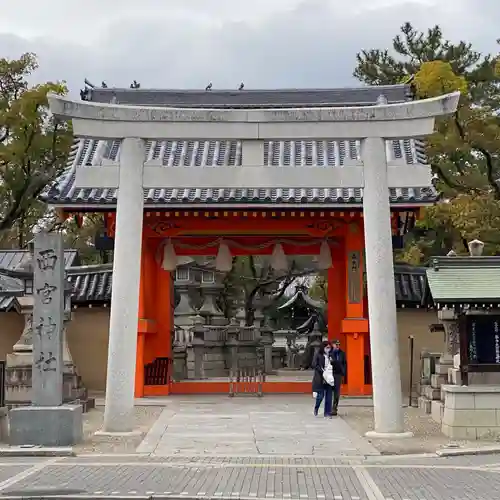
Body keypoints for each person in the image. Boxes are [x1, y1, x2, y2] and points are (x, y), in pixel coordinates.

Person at [312, 341, 336, 418]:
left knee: (329, 396)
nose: (328, 349)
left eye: (329, 348)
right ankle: (316, 408)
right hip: (321, 377)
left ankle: (327, 412)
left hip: (329, 377)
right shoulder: (318, 355)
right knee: (320, 395)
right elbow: (314, 365)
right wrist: (322, 370)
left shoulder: (331, 355)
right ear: (323, 348)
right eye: (327, 347)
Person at [331, 340, 347, 416]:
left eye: (338, 344)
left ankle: (334, 408)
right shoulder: (329, 353)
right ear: (332, 345)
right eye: (336, 344)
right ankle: (328, 407)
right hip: (330, 374)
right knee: (329, 391)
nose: (337, 346)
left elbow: (344, 363)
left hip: (338, 374)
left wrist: (343, 372)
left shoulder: (342, 353)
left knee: (337, 392)